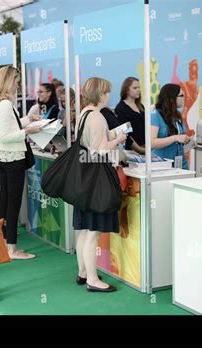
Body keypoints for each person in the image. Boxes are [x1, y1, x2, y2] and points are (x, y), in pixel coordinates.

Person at [74, 77, 127, 293]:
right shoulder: (96, 116)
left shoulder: (84, 113)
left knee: (84, 230)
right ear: (100, 94)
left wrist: (110, 137)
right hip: (96, 178)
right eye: (106, 92)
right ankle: (93, 280)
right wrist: (118, 138)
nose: (109, 96)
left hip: (85, 177)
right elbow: (101, 150)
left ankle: (83, 272)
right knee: (93, 232)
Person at [0, 66, 42, 260]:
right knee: (13, 204)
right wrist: (28, 131)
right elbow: (5, 135)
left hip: (6, 158)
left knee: (6, 203)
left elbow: (9, 126)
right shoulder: (4, 104)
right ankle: (11, 248)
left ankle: (4, 243)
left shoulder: (1, 103)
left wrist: (28, 120)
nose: (18, 84)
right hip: (12, 159)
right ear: (9, 81)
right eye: (17, 80)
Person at [151, 84, 190, 169]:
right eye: (181, 95)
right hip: (162, 165)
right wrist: (175, 138)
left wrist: (186, 140)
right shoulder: (155, 115)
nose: (184, 98)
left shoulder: (177, 115)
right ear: (172, 99)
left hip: (180, 163)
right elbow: (152, 143)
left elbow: (180, 136)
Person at [115, 77, 146, 154]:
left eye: (139, 87)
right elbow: (126, 134)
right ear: (127, 90)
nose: (138, 90)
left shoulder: (140, 106)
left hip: (146, 148)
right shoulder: (120, 109)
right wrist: (139, 149)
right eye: (135, 88)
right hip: (132, 151)